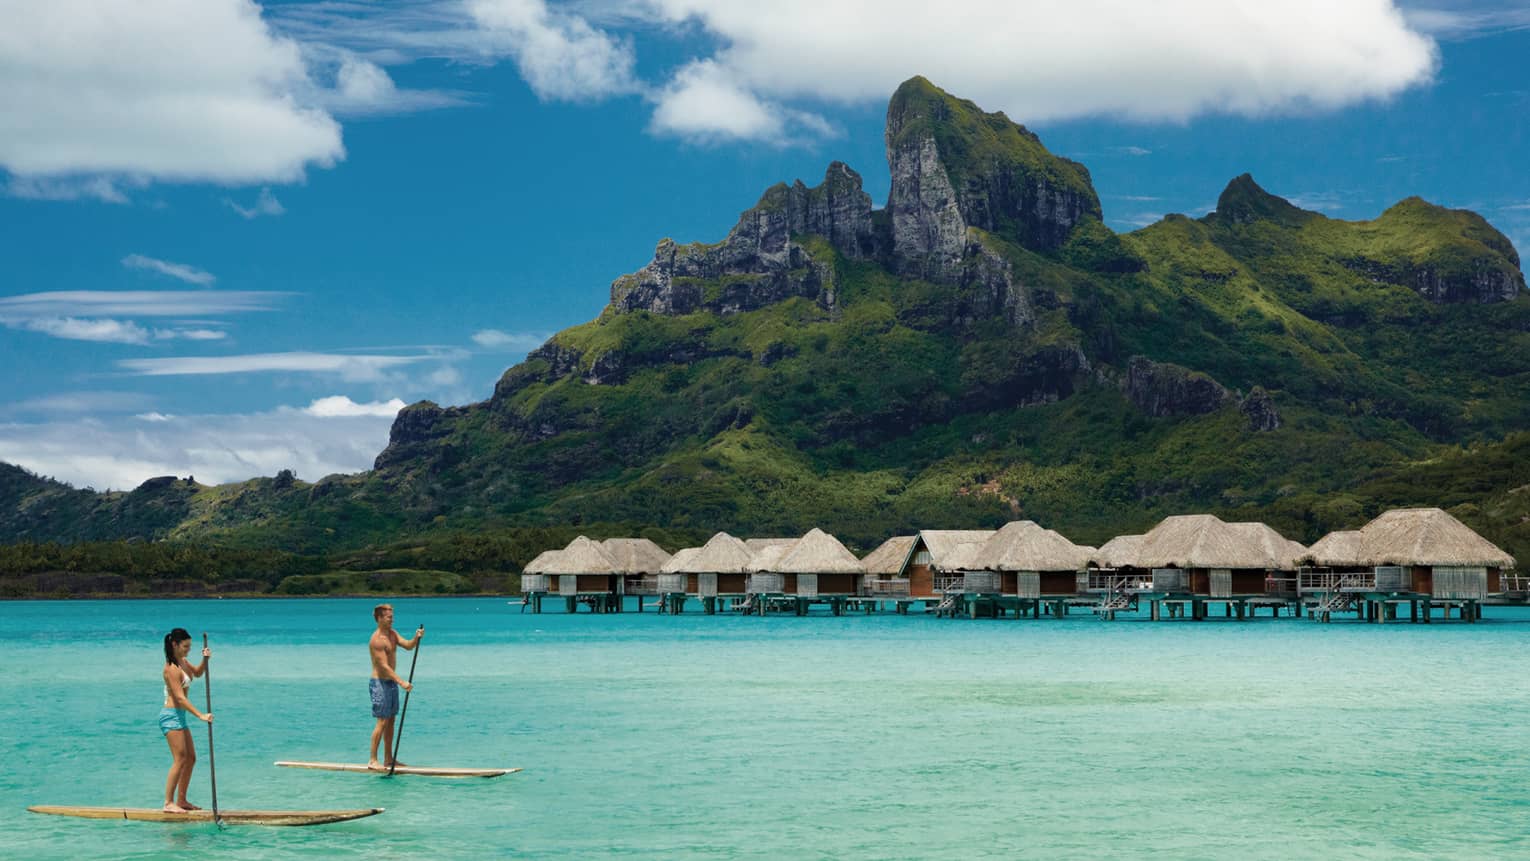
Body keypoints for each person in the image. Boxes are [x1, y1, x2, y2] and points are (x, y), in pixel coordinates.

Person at [160, 628, 212, 813]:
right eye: (185, 646)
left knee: (191, 758)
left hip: (180, 716)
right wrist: (200, 715)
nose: (188, 649)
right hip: (171, 716)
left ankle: (181, 801)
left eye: (190, 646)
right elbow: (180, 698)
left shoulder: (183, 662)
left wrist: (204, 660)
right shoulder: (170, 669)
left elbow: (197, 673)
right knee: (180, 759)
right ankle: (168, 803)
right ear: (175, 644)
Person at [368, 604, 421, 770]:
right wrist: (402, 682)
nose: (392, 619)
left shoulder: (392, 634)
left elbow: (408, 645)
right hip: (380, 683)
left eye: (392, 616)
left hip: (391, 683)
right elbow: (383, 666)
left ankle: (389, 759)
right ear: (379, 618)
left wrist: (416, 638)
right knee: (382, 721)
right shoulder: (376, 640)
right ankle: (372, 760)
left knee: (391, 721)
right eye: (389, 617)